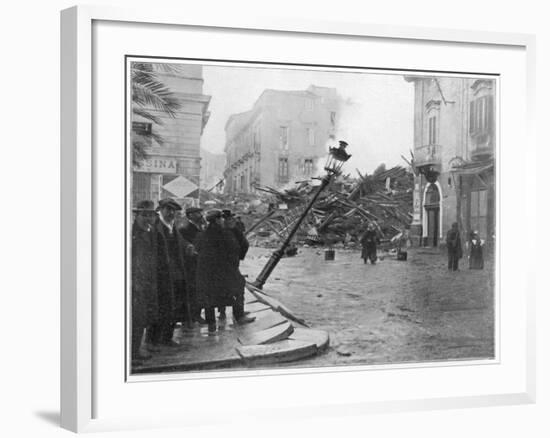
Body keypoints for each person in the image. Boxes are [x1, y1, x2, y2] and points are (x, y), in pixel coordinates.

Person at [195, 209, 255, 332]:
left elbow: (197, 250)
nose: (223, 221)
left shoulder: (202, 234)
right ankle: (239, 316)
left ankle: (211, 323)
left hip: (206, 272)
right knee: (238, 287)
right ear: (217, 220)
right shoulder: (225, 234)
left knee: (209, 297)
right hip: (225, 270)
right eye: (221, 219)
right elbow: (236, 249)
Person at [149, 198, 192, 346]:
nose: (171, 213)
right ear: (160, 211)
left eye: (173, 210)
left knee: (174, 306)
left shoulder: (172, 226)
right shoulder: (155, 227)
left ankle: (167, 338)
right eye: (168, 210)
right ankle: (153, 340)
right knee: (159, 307)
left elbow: (180, 242)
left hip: (175, 273)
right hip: (161, 275)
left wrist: (188, 247)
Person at [131, 200, 159, 366]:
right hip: (135, 284)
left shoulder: (150, 232)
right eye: (144, 215)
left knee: (142, 319)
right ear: (137, 215)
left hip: (147, 281)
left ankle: (136, 350)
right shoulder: (133, 234)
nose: (148, 218)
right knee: (135, 319)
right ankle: (132, 354)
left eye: (151, 215)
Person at [217, 209, 250, 320]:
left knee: (226, 288)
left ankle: (224, 312)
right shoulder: (224, 232)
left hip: (231, 264)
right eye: (229, 219)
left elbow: (244, 244)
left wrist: (239, 257)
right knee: (238, 286)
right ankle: (239, 315)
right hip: (227, 266)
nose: (232, 221)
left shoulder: (232, 230)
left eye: (232, 219)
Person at [179, 206, 207, 324]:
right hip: (190, 265)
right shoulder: (185, 229)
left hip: (198, 264)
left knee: (198, 290)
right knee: (191, 291)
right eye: (197, 213)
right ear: (190, 215)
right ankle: (191, 316)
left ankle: (195, 315)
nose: (200, 215)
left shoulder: (198, 227)